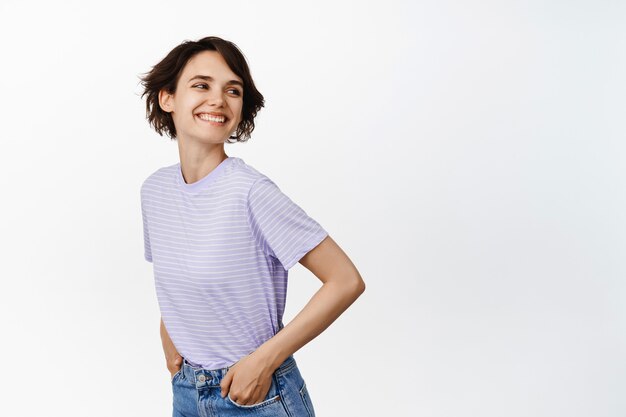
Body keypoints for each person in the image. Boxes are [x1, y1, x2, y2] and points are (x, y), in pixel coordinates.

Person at [138, 36, 365, 417]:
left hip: (257, 396)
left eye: (233, 90)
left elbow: (345, 280)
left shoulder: (250, 192)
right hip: (187, 393)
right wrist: (169, 333)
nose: (218, 99)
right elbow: (176, 275)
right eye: (201, 85)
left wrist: (265, 360)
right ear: (167, 98)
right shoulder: (155, 191)